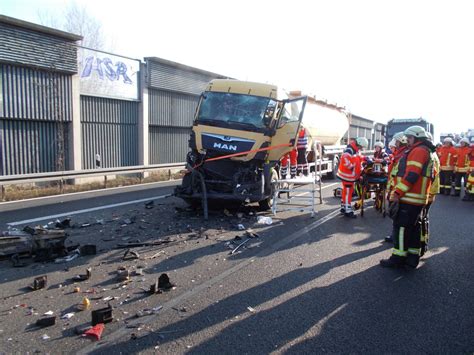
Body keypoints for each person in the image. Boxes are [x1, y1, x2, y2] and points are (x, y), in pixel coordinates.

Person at [380, 126, 436, 269]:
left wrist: (397, 193)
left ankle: (397, 258)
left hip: (410, 197)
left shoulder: (418, 151)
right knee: (413, 228)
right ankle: (412, 258)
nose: (407, 141)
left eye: (410, 138)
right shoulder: (424, 150)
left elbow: (411, 175)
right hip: (417, 197)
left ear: (416, 138)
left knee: (401, 228)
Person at [384, 132, 408, 243]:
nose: (395, 143)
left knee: (397, 216)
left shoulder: (403, 156)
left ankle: (396, 238)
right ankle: (395, 236)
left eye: (397, 141)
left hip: (398, 190)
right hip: (396, 189)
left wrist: (396, 192)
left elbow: (399, 175)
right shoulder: (400, 154)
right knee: (395, 215)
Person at [336, 136, 369, 218]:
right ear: (359, 144)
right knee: (348, 192)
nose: (361, 148)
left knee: (346, 191)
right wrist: (351, 168)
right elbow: (344, 158)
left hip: (348, 175)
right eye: (361, 147)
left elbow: (357, 158)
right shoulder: (350, 149)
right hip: (347, 175)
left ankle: (344, 207)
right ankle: (348, 210)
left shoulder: (354, 149)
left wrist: (365, 158)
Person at [420, 132, 440, 256]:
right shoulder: (433, 154)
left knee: (422, 218)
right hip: (430, 191)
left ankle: (422, 244)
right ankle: (423, 243)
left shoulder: (429, 155)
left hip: (428, 191)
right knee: (424, 217)